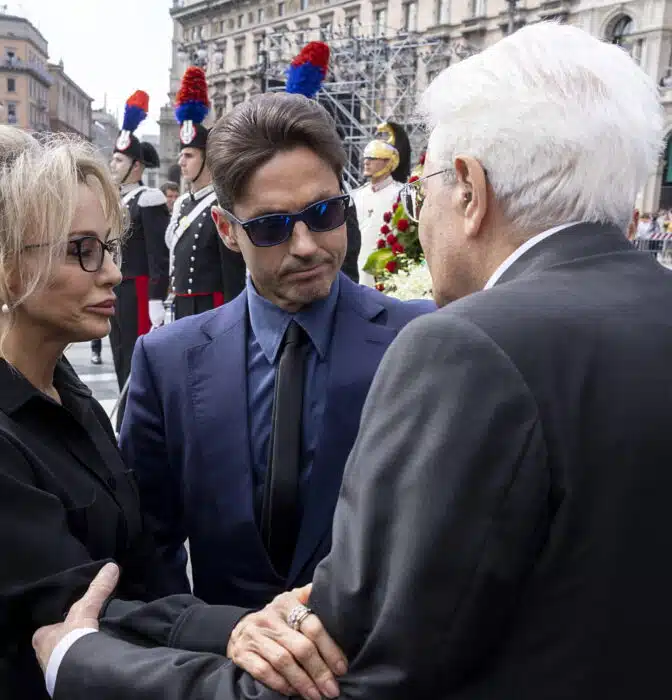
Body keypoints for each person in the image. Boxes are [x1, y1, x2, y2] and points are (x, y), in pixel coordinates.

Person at [36, 22, 672, 700]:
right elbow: (146, 555)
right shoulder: (169, 359)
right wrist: (225, 631)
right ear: (227, 230)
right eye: (272, 226)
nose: (306, 245)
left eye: (324, 213)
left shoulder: (434, 342)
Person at [0, 129, 173, 700]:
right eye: (82, 249)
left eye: (109, 247)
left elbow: (140, 566)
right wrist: (237, 630)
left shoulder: (70, 397)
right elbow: (76, 608)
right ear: (7, 267)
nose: (113, 273)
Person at [108, 90, 170, 430]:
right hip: (117, 287)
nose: (112, 165)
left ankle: (140, 423)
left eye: (119, 161)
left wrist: (156, 297)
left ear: (136, 166)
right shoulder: (116, 200)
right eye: (114, 159)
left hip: (139, 288)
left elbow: (158, 253)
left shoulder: (149, 198)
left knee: (136, 359)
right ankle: (125, 421)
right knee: (119, 353)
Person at [165, 66, 246, 320]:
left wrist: (234, 319)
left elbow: (232, 271)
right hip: (182, 306)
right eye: (181, 155)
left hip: (212, 308)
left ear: (208, 159)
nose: (181, 161)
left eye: (189, 155)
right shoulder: (182, 204)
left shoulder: (223, 202)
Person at [352, 121, 411, 285]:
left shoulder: (400, 193)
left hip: (387, 269)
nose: (366, 162)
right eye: (366, 158)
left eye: (373, 158)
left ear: (388, 162)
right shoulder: (358, 194)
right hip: (356, 269)